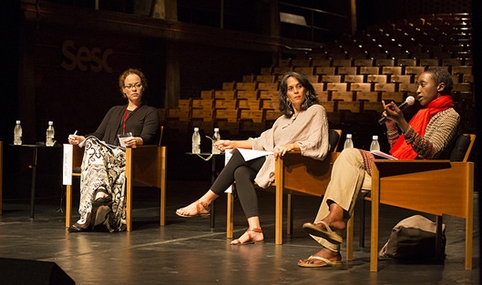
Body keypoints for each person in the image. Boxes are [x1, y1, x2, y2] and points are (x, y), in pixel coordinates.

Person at [298, 68, 460, 268]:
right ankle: (335, 219)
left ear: (440, 86)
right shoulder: (423, 114)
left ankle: (330, 245)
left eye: (422, 84)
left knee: (348, 172)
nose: (417, 90)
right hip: (402, 171)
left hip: (421, 178)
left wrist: (402, 122)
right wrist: (393, 126)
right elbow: (398, 151)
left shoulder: (450, 115)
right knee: (347, 158)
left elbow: (429, 151)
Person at [176, 71, 330, 245]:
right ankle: (255, 229)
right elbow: (261, 142)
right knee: (241, 172)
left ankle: (204, 202)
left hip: (295, 166)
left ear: (306, 90)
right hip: (275, 161)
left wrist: (292, 146)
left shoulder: (316, 111)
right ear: (285, 94)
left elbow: (317, 142)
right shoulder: (283, 120)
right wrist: (231, 143)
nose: (295, 91)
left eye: (299, 87)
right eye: (291, 88)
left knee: (240, 157)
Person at [67, 68, 160, 232]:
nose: (134, 89)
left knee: (92, 159)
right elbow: (98, 134)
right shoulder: (114, 110)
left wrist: (136, 140)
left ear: (143, 87)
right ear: (123, 90)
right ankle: (100, 196)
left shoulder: (149, 112)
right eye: (129, 86)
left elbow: (148, 137)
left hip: (129, 156)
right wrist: (81, 139)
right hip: (104, 157)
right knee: (91, 144)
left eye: (137, 85)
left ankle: (86, 218)